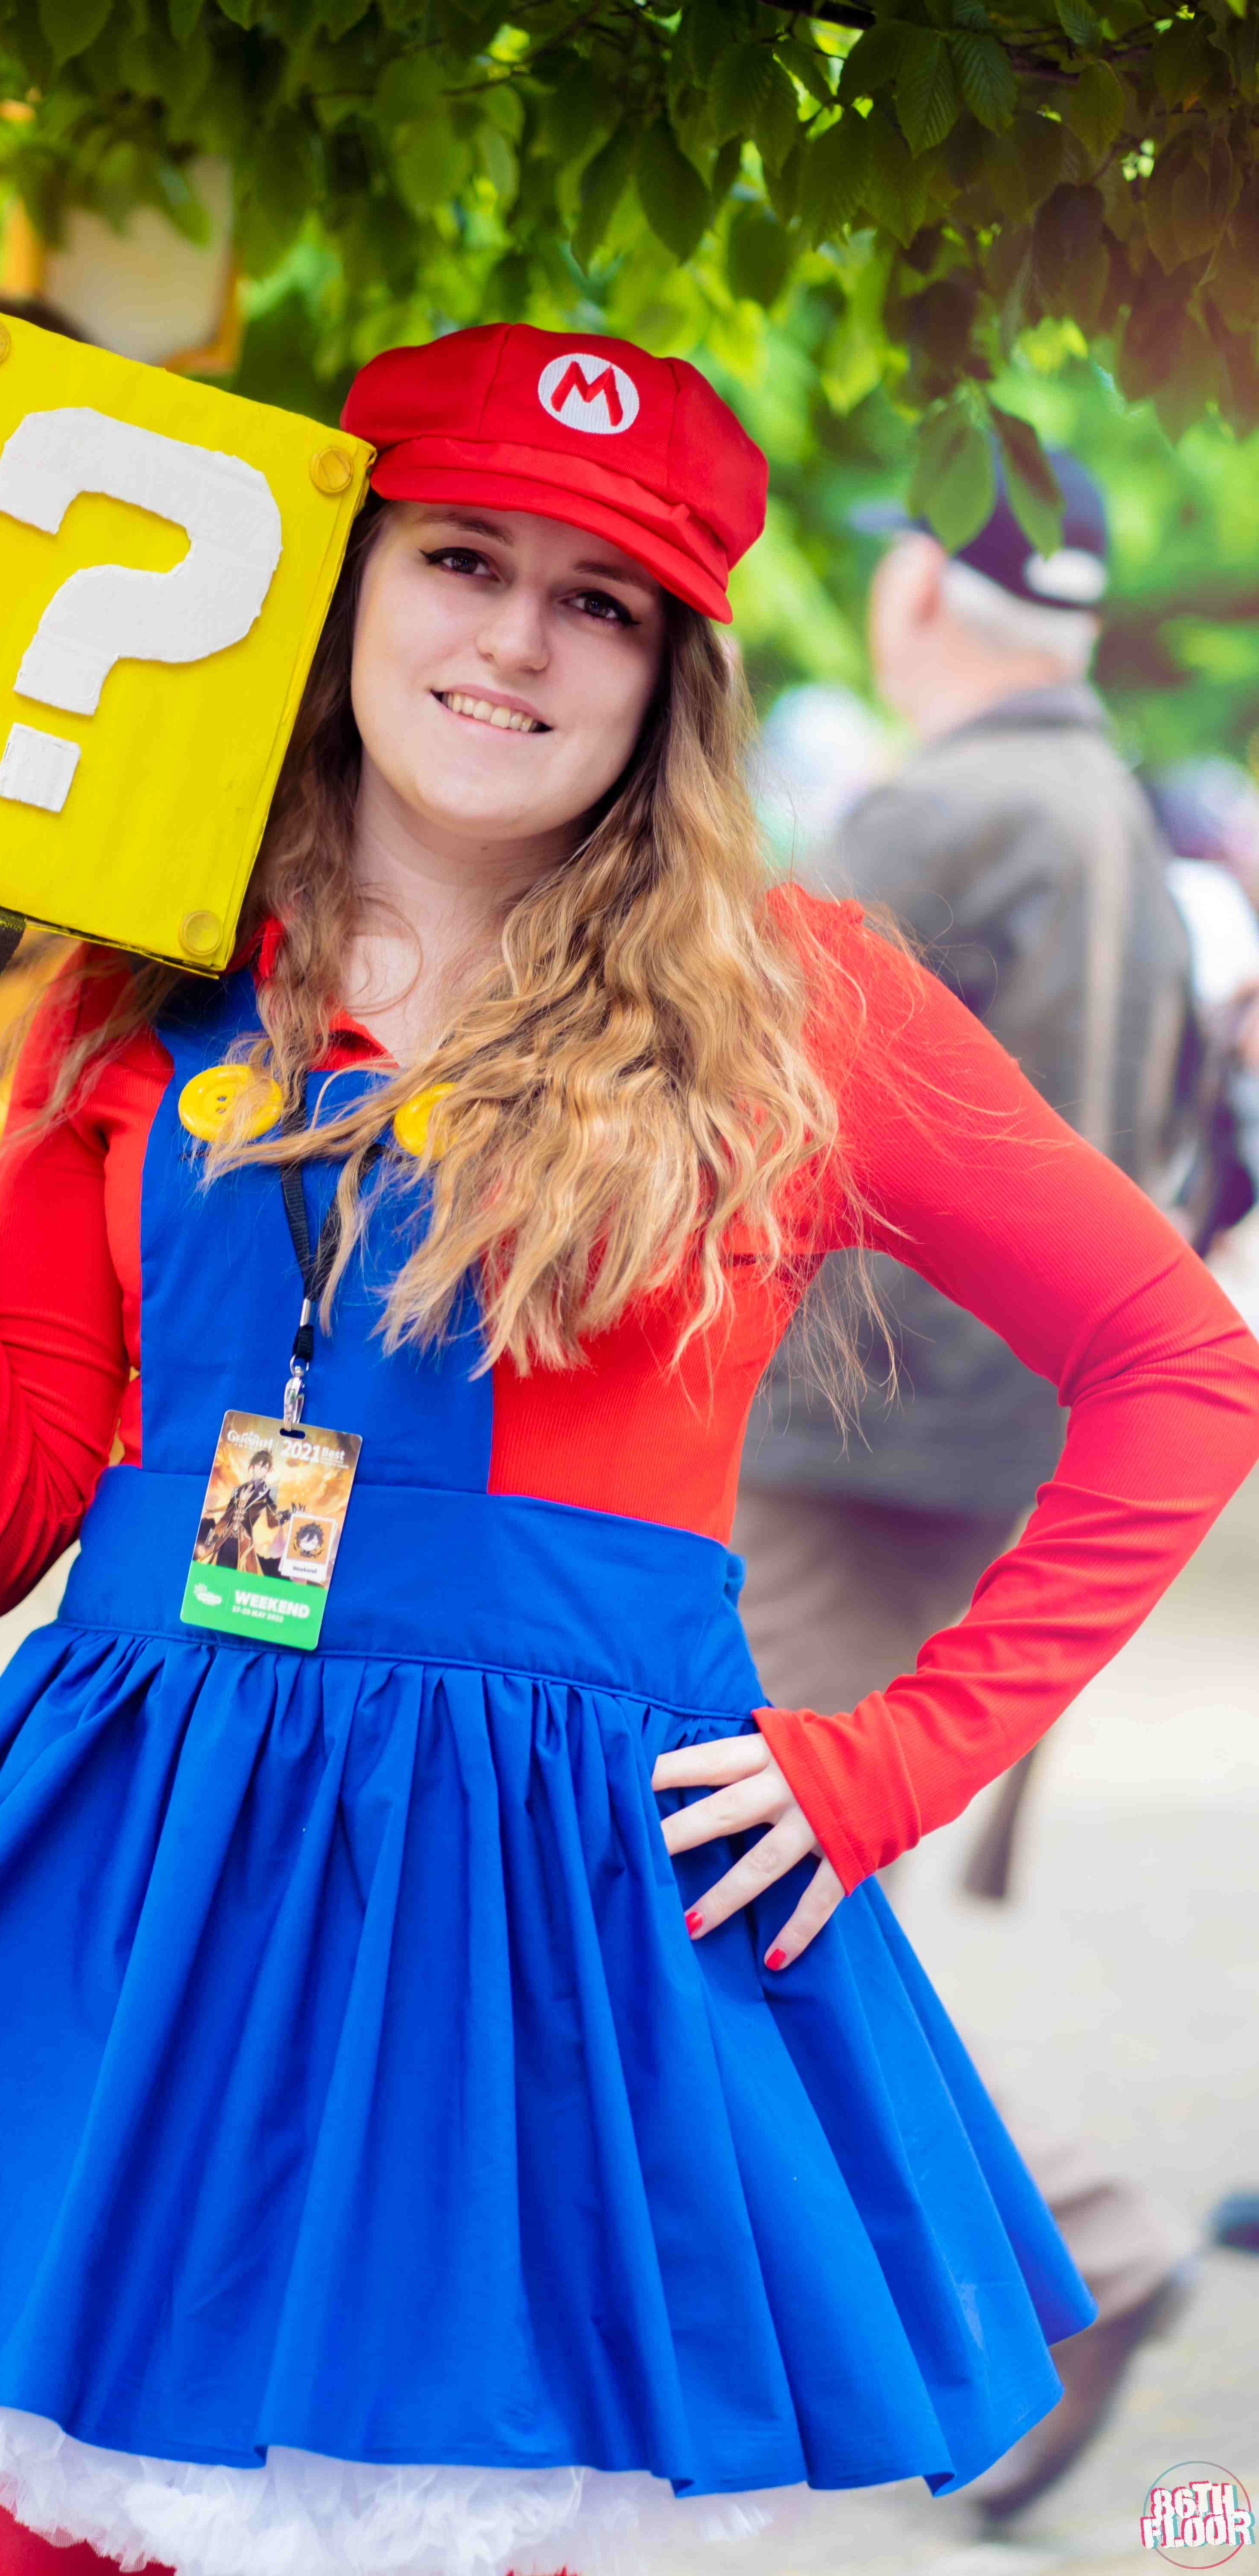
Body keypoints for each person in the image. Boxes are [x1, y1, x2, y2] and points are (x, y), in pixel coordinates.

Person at [0, 329, 1259, 2576]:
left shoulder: (801, 1002)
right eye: (462, 559)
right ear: (351, 590)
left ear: (671, 672)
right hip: (130, 1891)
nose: (515, 638)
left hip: (534, 1945)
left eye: (596, 598)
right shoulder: (155, 981)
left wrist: (890, 1761)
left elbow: (1185, 1366)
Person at [736, 453, 1214, 2523]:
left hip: (851, 1459)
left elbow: (723, 1071)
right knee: (748, 1891)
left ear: (923, 595)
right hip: (982, 1454)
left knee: (713, 1888)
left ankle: (1079, 2249)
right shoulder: (1110, 804)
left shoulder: (944, 811)